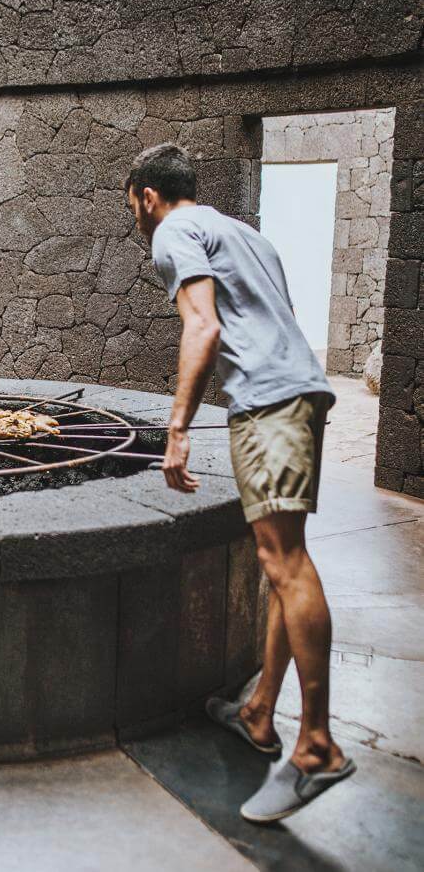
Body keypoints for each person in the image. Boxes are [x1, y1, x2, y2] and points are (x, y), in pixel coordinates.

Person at [125, 143, 356, 824]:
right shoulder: (246, 234)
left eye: (131, 206)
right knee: (280, 563)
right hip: (303, 397)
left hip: (269, 405)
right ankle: (259, 713)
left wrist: (176, 429)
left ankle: (316, 747)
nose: (137, 221)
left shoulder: (173, 230)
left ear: (146, 195)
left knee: (286, 567)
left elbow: (204, 325)